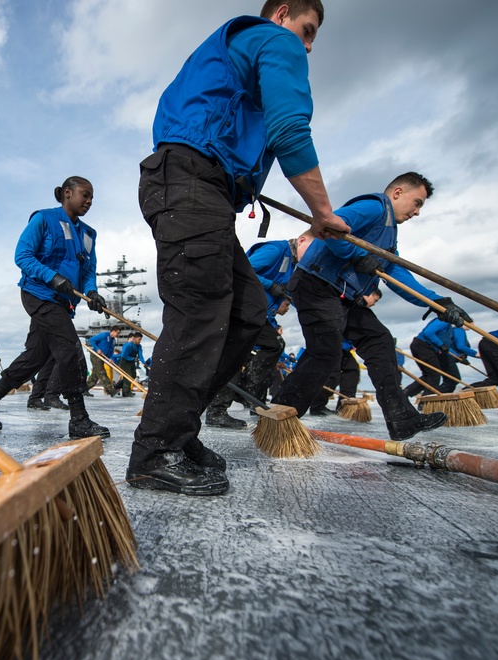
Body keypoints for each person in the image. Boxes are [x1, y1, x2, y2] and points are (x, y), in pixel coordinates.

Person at [128, 0, 352, 495]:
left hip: (201, 186)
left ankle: (179, 429)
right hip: (191, 184)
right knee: (200, 312)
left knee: (250, 313)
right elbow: (290, 127)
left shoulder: (228, 54)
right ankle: (154, 450)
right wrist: (321, 211)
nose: (308, 44)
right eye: (307, 29)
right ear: (283, 12)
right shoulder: (274, 39)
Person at [272, 172, 473, 441]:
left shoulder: (388, 236)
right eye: (417, 203)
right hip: (316, 285)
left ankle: (400, 417)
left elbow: (397, 274)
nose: (417, 212)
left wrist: (436, 302)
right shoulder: (374, 207)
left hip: (343, 296)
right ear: (398, 193)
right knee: (326, 351)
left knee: (380, 340)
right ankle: (281, 412)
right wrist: (358, 255)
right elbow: (329, 227)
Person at [0, 176, 110, 439]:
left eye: (92, 197)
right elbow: (22, 255)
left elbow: (88, 269)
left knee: (35, 358)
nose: (89, 201)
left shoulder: (89, 234)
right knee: (69, 349)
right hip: (39, 294)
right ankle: (79, 419)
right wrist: (53, 277)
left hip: (63, 303)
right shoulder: (43, 219)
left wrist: (92, 292)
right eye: (85, 195)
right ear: (67, 193)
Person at [206, 231, 314, 427]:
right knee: (234, 355)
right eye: (313, 250)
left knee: (273, 344)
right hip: (240, 308)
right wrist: (270, 285)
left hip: (258, 314)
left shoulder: (293, 265)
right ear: (302, 240)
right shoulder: (276, 250)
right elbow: (243, 270)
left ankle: (249, 389)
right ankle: (217, 410)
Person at [308, 289, 381, 415]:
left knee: (352, 371)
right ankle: (317, 406)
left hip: (345, 348)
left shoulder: (360, 310)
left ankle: (344, 406)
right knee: (332, 375)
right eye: (375, 300)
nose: (374, 304)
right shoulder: (349, 302)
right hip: (332, 343)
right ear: (368, 294)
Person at [403, 317, 456, 398]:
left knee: (429, 374)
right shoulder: (443, 321)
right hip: (423, 346)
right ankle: (426, 401)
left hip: (422, 346)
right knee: (434, 374)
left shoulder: (448, 327)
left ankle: (404, 394)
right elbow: (428, 332)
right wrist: (440, 344)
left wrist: (458, 356)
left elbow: (446, 347)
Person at [439, 324, 477, 393]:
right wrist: (476, 354)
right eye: (472, 324)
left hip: (446, 356)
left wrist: (461, 357)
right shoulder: (459, 330)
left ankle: (444, 400)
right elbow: (460, 346)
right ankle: (433, 397)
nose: (473, 326)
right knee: (453, 379)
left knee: (450, 380)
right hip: (446, 356)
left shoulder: (453, 330)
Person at [87, 326, 121, 395]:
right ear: (113, 331)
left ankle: (84, 389)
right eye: (117, 333)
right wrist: (97, 349)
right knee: (101, 372)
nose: (118, 334)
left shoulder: (113, 341)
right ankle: (110, 390)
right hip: (96, 355)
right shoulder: (104, 335)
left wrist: (110, 358)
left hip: (103, 357)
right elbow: (91, 340)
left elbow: (110, 351)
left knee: (95, 375)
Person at [115, 333, 145, 397]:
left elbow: (140, 355)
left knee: (133, 376)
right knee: (128, 376)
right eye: (139, 339)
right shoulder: (128, 345)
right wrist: (131, 358)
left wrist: (144, 362)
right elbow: (123, 355)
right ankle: (126, 392)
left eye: (141, 340)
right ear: (134, 338)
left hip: (131, 362)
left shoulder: (139, 346)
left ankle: (117, 386)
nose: (140, 341)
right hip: (125, 361)